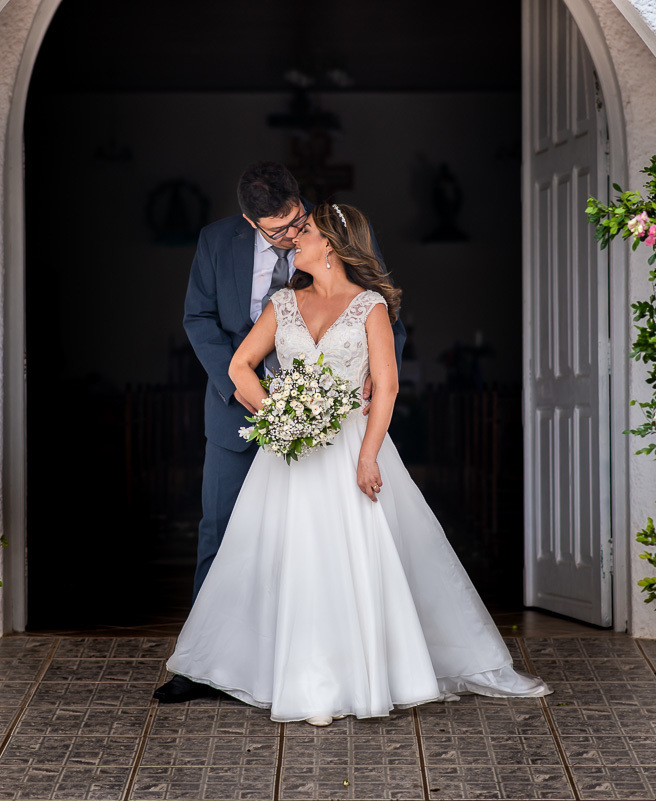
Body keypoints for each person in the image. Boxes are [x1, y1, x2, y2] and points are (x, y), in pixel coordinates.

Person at [164, 202, 550, 726]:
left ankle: (358, 672)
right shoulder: (283, 302)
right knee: (284, 558)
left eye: (304, 231)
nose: (293, 239)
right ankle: (288, 674)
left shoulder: (370, 306)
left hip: (350, 448)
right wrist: (279, 415)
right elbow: (239, 365)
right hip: (289, 455)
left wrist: (368, 455)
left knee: (352, 557)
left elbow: (386, 386)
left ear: (330, 245)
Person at [155, 163, 406, 704]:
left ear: (301, 202)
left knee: (321, 541)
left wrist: (372, 370)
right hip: (238, 410)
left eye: (296, 222)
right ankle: (204, 665)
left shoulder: (332, 228)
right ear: (251, 221)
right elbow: (199, 319)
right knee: (225, 533)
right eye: (278, 231)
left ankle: (316, 660)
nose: (291, 237)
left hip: (335, 416)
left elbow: (382, 307)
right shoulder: (216, 241)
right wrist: (248, 394)